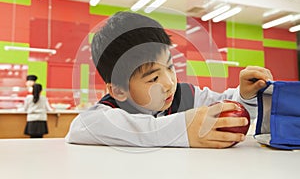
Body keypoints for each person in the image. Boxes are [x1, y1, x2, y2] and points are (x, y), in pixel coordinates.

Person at [65, 11, 273, 148]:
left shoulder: (185, 96)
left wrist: (245, 95)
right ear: (119, 91)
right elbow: (83, 126)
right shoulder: (111, 110)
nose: (169, 83)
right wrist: (182, 129)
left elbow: (226, 106)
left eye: (170, 67)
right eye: (153, 77)